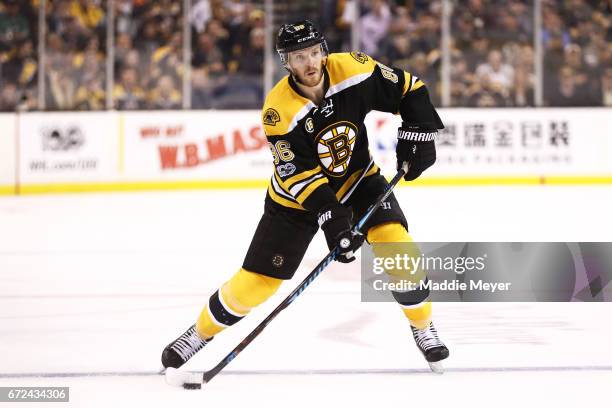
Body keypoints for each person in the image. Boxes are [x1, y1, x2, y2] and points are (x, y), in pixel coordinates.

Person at [162, 20, 448, 371]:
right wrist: (333, 221)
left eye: (314, 53)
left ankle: (423, 328)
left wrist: (418, 133)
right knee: (257, 284)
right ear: (286, 61)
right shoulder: (278, 110)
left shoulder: (353, 69)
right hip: (295, 202)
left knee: (399, 251)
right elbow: (299, 176)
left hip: (358, 180)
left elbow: (409, 88)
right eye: (299, 57)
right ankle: (200, 333)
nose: (310, 63)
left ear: (324, 51)